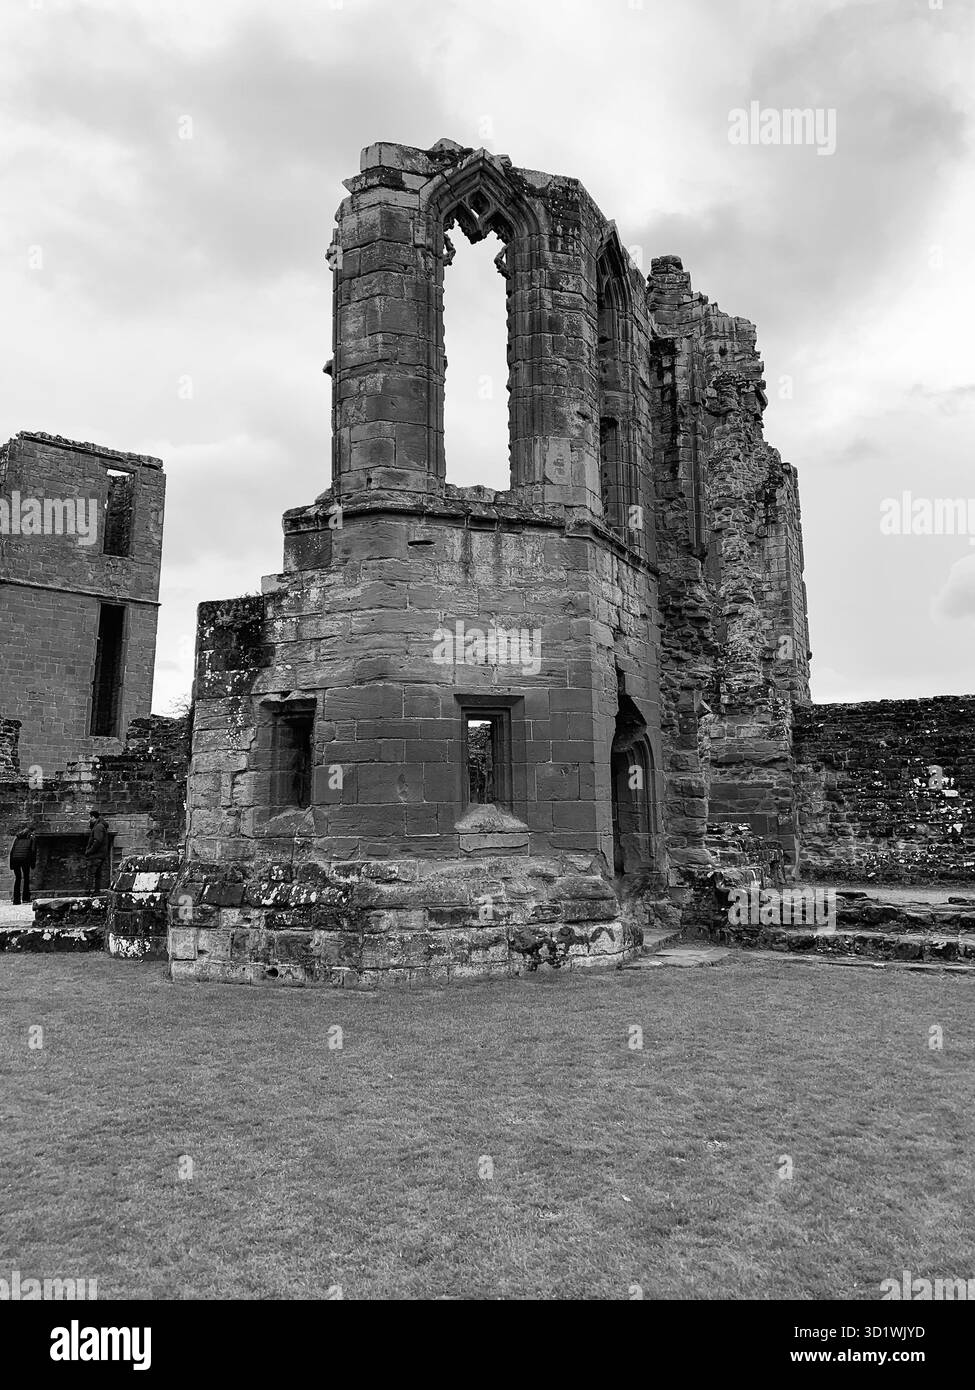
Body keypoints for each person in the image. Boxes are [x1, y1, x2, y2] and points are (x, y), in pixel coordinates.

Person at [84, 809, 110, 894]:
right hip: (100, 855)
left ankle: (87, 893)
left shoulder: (98, 827)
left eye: (90, 817)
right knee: (97, 875)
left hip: (95, 856)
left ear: (94, 817)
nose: (89, 819)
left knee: (90, 874)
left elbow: (98, 841)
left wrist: (89, 851)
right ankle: (96, 892)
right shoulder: (101, 826)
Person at [9, 823, 36, 905]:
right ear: (32, 831)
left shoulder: (17, 838)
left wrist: (11, 863)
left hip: (15, 859)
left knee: (18, 878)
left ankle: (16, 900)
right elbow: (33, 851)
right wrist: (32, 863)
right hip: (25, 859)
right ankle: (25, 898)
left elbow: (12, 850)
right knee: (26, 878)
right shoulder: (32, 838)